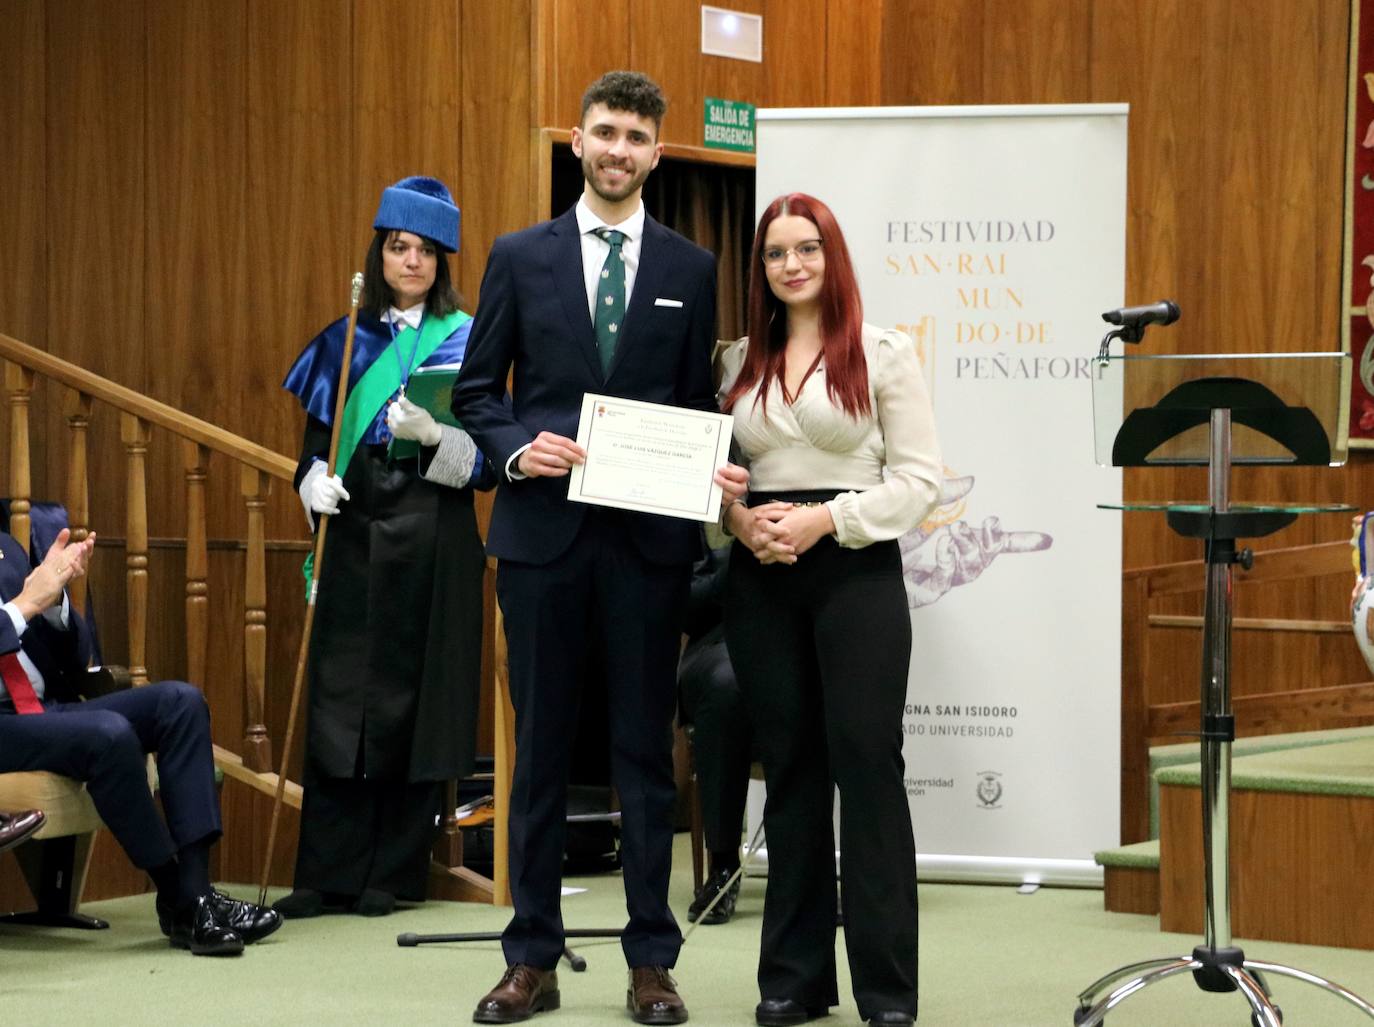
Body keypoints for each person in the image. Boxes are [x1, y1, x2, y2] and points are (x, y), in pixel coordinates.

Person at [452, 71, 745, 1026]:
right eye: (606, 133)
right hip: (541, 540)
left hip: (648, 551)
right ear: (577, 142)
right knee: (536, 753)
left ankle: (651, 961)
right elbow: (476, 398)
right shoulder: (517, 256)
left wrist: (712, 467)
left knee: (642, 757)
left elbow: (698, 411)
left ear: (658, 154)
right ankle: (528, 956)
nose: (620, 150)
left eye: (637, 138)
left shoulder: (691, 270)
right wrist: (512, 448)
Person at [718, 193, 943, 1027]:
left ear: (830, 255)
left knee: (867, 770)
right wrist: (741, 523)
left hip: (855, 574)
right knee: (792, 774)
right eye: (775, 253)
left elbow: (920, 481)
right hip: (761, 579)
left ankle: (888, 989)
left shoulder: (882, 354)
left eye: (805, 248)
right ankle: (793, 980)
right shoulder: (737, 360)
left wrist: (825, 520)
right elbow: (713, 479)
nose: (791, 265)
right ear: (763, 268)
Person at [277, 176, 492, 919]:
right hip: (354, 528)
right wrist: (310, 484)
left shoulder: (469, 339)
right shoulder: (344, 337)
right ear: (381, 251)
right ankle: (326, 869)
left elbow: (487, 464)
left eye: (426, 251)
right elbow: (310, 450)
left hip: (432, 531)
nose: (411, 262)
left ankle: (392, 874)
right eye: (399, 247)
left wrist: (436, 437)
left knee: (411, 701)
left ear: (442, 262)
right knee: (340, 699)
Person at [0, 527, 281, 954]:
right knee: (108, 734)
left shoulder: (6, 548)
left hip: (44, 709)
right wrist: (25, 605)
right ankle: (182, 899)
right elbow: (18, 615)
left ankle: (196, 893)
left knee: (180, 703)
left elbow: (74, 660)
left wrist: (56, 602)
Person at [678, 532, 751, 926]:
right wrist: (736, 569)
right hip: (716, 643)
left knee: (815, 683)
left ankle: (815, 870)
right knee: (728, 686)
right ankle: (723, 866)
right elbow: (682, 602)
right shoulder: (698, 499)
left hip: (795, 637)